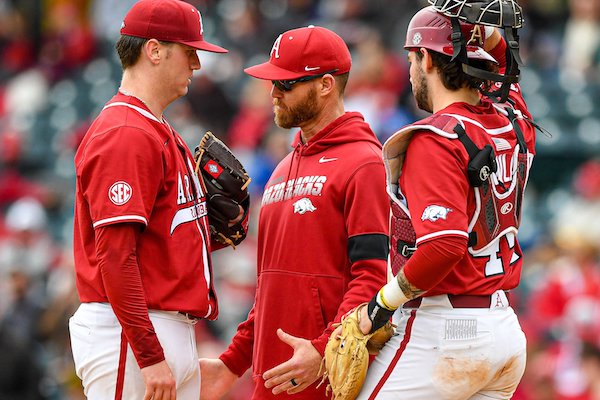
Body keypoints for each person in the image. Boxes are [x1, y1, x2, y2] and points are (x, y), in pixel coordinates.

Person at [352, 5, 537, 399]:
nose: (410, 69)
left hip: (446, 332)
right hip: (503, 326)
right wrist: (477, 35)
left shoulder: (435, 137)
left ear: (427, 59)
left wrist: (380, 304)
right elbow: (505, 69)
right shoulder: (512, 119)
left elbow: (443, 246)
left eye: (412, 58)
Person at [199, 26, 390, 399]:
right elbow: (270, 288)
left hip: (325, 381)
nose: (272, 93)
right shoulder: (282, 168)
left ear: (325, 85)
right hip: (273, 380)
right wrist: (232, 364)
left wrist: (323, 350)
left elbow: (373, 278)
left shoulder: (364, 163)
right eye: (273, 82)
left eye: (286, 85)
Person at [68, 1, 229, 399]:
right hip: (132, 333)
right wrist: (149, 354)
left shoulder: (153, 127)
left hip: (156, 328)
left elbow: (156, 245)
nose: (196, 64)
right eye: (189, 51)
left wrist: (214, 237)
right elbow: (116, 256)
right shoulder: (126, 132)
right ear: (154, 50)